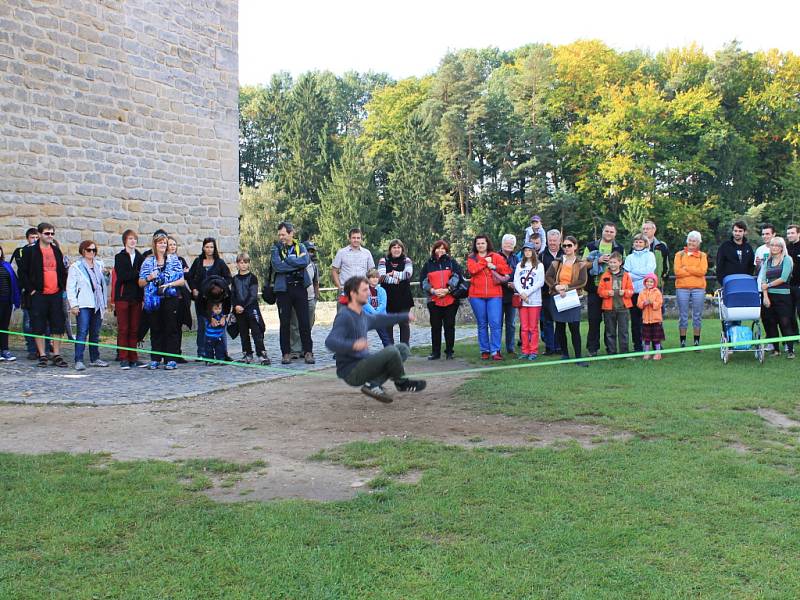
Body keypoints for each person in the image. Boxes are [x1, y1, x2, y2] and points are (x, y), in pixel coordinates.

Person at [325, 276, 425, 403]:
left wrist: (404, 316)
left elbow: (381, 319)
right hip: (351, 371)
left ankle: (373, 384)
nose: (369, 293)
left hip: (364, 363)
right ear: (353, 294)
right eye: (365, 290)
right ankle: (402, 383)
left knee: (402, 349)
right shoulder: (345, 315)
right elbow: (330, 341)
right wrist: (353, 345)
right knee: (391, 352)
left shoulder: (362, 315)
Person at [17, 223, 69, 368]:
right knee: (38, 325)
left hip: (55, 294)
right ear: (39, 234)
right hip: (39, 294)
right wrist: (32, 290)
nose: (50, 236)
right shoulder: (30, 251)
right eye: (47, 233)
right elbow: (22, 273)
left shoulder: (56, 251)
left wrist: (62, 287)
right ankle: (42, 355)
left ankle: (56, 354)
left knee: (58, 325)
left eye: (52, 233)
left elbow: (62, 271)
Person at [138, 232, 185, 370]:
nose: (163, 245)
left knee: (171, 328)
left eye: (165, 242)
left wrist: (170, 285)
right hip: (153, 300)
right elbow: (140, 282)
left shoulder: (174, 260)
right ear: (155, 244)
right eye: (160, 242)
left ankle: (171, 358)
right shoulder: (148, 262)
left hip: (170, 298)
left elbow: (181, 281)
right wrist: (149, 278)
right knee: (156, 329)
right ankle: (156, 358)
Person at [271, 222, 314, 365]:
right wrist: (294, 265)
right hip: (283, 290)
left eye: (283, 234)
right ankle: (286, 353)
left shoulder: (300, 247)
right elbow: (277, 266)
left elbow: (305, 261)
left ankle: (308, 352)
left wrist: (288, 260)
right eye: (279, 235)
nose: (281, 237)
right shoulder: (276, 248)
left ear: (291, 233)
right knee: (285, 323)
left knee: (304, 322)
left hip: (300, 288)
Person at [544, 235, 588, 366]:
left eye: (570, 245)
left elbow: (582, 281)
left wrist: (567, 287)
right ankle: (565, 355)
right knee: (560, 326)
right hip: (558, 296)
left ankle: (578, 358)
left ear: (575, 247)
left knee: (574, 327)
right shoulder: (557, 262)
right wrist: (556, 286)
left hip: (572, 296)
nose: (567, 248)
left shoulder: (580, 263)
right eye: (564, 246)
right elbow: (548, 276)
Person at [467, 234, 512, 360]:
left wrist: (495, 266)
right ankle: (485, 350)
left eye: (483, 243)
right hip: (476, 295)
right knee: (482, 323)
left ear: (487, 244)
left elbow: (507, 270)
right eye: (478, 243)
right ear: (475, 245)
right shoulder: (472, 258)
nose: (480, 245)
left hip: (494, 295)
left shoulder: (496, 256)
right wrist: (484, 262)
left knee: (495, 323)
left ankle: (495, 350)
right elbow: (472, 271)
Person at [66, 240, 109, 371]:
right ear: (83, 251)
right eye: (89, 250)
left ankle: (95, 358)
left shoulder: (99, 265)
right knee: (82, 332)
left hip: (97, 303)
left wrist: (107, 275)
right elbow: (70, 287)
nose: (92, 252)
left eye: (94, 250)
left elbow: (103, 285)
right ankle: (78, 359)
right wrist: (74, 305)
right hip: (84, 303)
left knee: (95, 332)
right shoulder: (76, 266)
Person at [583, 222, 625, 356]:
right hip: (594, 289)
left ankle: (610, 349)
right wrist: (598, 261)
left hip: (611, 290)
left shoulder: (620, 248)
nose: (609, 234)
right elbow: (583, 264)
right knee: (594, 320)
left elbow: (623, 266)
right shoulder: (591, 246)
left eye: (612, 232)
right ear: (602, 232)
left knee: (610, 322)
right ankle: (592, 349)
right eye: (607, 231)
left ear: (615, 234)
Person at [188, 238, 231, 359]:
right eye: (207, 247)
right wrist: (193, 289)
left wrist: (220, 287)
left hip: (217, 300)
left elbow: (228, 278)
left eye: (211, 247)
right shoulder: (198, 261)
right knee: (203, 324)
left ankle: (222, 352)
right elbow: (190, 276)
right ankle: (202, 351)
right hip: (202, 299)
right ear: (203, 248)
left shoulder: (219, 262)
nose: (209, 249)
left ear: (214, 248)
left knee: (219, 324)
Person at [420, 239, 463, 360]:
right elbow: (423, 281)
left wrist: (448, 289)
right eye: (438, 248)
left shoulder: (452, 262)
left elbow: (457, 276)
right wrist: (433, 290)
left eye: (443, 248)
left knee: (449, 326)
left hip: (450, 300)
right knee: (435, 327)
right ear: (434, 250)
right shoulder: (428, 264)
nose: (440, 250)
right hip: (434, 300)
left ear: (447, 250)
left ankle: (449, 352)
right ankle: (435, 352)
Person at [758, 236, 796, 359]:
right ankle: (775, 349)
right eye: (772, 245)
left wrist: (768, 285)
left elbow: (783, 278)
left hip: (783, 297)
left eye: (777, 245)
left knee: (785, 323)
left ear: (781, 247)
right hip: (769, 295)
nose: (774, 247)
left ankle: (790, 350)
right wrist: (765, 296)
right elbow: (763, 279)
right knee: (770, 322)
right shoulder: (767, 261)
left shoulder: (787, 259)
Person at [113, 229, 144, 369]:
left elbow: (142, 274)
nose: (133, 241)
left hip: (136, 296)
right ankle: (123, 356)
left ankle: (133, 356)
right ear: (125, 240)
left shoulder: (139, 257)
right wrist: (136, 273)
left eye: (134, 239)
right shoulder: (120, 257)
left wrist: (136, 274)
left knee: (134, 328)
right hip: (123, 296)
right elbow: (123, 276)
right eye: (130, 238)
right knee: (124, 328)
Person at [232, 253, 269, 365]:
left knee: (256, 332)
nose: (243, 265)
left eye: (245, 262)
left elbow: (252, 295)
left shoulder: (252, 278)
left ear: (249, 264)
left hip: (251, 309)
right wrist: (236, 306)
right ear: (237, 264)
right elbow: (233, 294)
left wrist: (243, 306)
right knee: (243, 333)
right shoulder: (234, 279)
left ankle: (261, 354)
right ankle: (247, 353)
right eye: (241, 262)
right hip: (239, 310)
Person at [674, 231, 708, 349]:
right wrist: (694, 270)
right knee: (683, 315)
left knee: (697, 315)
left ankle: (696, 341)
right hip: (682, 288)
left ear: (699, 243)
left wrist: (686, 268)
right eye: (690, 240)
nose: (692, 243)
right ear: (687, 241)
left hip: (698, 289)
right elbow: (677, 272)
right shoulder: (679, 254)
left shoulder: (702, 255)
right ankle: (682, 341)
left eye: (694, 241)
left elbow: (702, 271)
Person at [624, 234, 656, 353]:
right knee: (635, 321)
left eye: (640, 242)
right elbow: (627, 275)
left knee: (650, 320)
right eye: (636, 242)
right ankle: (637, 346)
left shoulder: (650, 255)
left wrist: (634, 273)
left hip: (647, 292)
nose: (638, 244)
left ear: (645, 243)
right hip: (633, 293)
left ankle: (654, 345)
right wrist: (641, 276)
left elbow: (649, 272)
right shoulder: (629, 257)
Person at [378, 239, 414, 345]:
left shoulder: (407, 260)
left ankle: (404, 348)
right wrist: (397, 278)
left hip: (404, 297)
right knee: (388, 325)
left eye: (399, 247)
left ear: (402, 249)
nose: (396, 249)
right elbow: (381, 277)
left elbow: (408, 274)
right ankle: (390, 349)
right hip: (387, 298)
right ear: (390, 249)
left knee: (404, 323)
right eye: (394, 247)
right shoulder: (383, 260)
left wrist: (392, 273)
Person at [11, 227, 40, 359]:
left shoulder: (43, 251)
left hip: (42, 293)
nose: (34, 240)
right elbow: (22, 272)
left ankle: (42, 349)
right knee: (28, 321)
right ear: (27, 239)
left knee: (43, 322)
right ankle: (31, 348)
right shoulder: (22, 252)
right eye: (32, 238)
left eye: (36, 237)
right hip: (28, 292)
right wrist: (29, 289)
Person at [597, 252, 633, 354]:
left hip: (623, 308)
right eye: (610, 262)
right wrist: (607, 293)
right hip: (609, 308)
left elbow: (631, 290)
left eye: (614, 262)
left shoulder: (626, 276)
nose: (612, 264)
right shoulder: (605, 275)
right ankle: (612, 353)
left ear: (620, 263)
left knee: (624, 332)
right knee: (610, 332)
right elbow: (600, 291)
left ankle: (624, 353)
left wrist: (625, 292)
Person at [513, 242, 545, 360]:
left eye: (529, 250)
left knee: (533, 327)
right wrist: (522, 293)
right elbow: (516, 280)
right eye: (525, 250)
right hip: (522, 300)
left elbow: (540, 282)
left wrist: (527, 293)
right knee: (524, 327)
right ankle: (525, 350)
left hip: (534, 300)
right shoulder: (519, 265)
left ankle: (533, 351)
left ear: (533, 252)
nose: (527, 252)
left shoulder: (539, 266)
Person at [331, 228, 375, 311]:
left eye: (358, 238)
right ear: (349, 238)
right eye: (354, 238)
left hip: (362, 291)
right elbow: (334, 270)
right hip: (345, 290)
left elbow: (371, 272)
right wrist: (339, 286)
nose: (356, 240)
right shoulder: (341, 252)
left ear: (361, 239)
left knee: (362, 318)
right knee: (343, 317)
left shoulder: (367, 253)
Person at [290, 241, 320, 358]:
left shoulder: (314, 266)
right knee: (295, 324)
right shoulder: (296, 264)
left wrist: (316, 298)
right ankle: (295, 349)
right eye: (308, 250)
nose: (310, 253)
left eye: (312, 251)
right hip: (297, 299)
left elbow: (316, 282)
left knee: (308, 324)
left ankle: (305, 348)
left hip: (310, 298)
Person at [168, 236, 193, 363]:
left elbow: (188, 275)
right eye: (170, 244)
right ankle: (168, 354)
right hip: (168, 297)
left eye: (174, 244)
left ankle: (177, 353)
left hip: (181, 298)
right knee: (169, 327)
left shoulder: (180, 260)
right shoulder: (163, 260)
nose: (172, 247)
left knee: (178, 327)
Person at [539, 229, 563, 355]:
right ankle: (549, 347)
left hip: (562, 294)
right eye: (550, 240)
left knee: (560, 321)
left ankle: (558, 346)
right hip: (546, 294)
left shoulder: (565, 253)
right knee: (547, 322)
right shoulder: (541, 255)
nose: (552, 243)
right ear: (547, 241)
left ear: (560, 240)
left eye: (555, 240)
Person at [499, 234, 520, 356]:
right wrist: (507, 283)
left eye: (511, 244)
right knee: (498, 323)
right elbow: (495, 274)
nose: (509, 246)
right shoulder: (496, 256)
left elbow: (519, 273)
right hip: (498, 294)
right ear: (502, 244)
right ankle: (497, 349)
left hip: (512, 295)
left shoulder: (515, 258)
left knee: (511, 324)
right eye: (507, 243)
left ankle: (510, 348)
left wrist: (515, 284)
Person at [0, 246, 22, 362]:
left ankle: (5, 350)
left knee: (4, 327)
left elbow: (14, 282)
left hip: (6, 301)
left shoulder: (6, 265)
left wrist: (15, 299)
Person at [638, 274, 665, 360]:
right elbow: (639, 304)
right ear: (645, 282)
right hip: (646, 320)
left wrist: (652, 303)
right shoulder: (642, 292)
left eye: (651, 282)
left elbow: (659, 304)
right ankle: (647, 353)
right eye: (647, 281)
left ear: (654, 283)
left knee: (656, 338)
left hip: (656, 320)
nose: (649, 283)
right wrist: (644, 304)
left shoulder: (657, 292)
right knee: (646, 338)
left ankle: (658, 353)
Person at [364, 268, 391, 347]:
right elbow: (365, 303)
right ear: (368, 279)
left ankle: (390, 353)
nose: (375, 279)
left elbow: (383, 304)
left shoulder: (382, 290)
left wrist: (377, 312)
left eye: (376, 277)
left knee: (385, 337)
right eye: (372, 277)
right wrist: (374, 312)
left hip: (379, 316)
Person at [641, 220, 670, 286]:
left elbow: (666, 264)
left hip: (656, 282)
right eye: (643, 229)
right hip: (640, 283)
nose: (645, 231)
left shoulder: (662, 246)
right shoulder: (637, 245)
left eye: (647, 229)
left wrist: (663, 278)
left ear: (654, 230)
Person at [786, 224, 800, 323]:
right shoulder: (785, 248)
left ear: (798, 234)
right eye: (788, 233)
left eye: (792, 233)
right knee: (789, 315)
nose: (790, 235)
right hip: (788, 286)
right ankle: (794, 338)